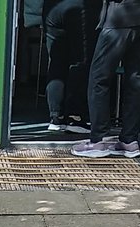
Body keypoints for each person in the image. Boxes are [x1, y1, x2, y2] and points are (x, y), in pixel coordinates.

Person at [71, 0, 140, 158]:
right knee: (135, 81)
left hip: (121, 16)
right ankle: (129, 141)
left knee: (99, 77)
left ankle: (98, 140)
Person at [42, 0, 98, 134]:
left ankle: (56, 117)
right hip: (78, 7)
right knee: (80, 61)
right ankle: (75, 116)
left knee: (56, 61)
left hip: (52, 8)